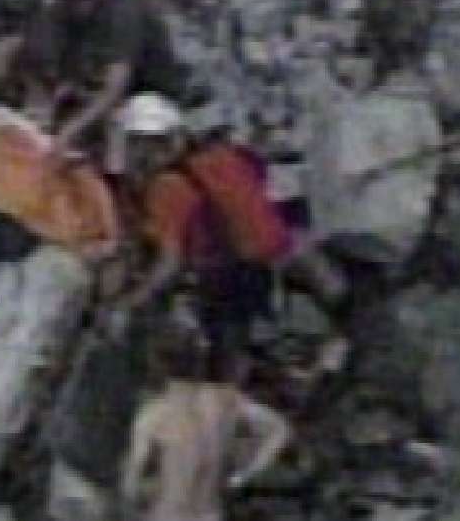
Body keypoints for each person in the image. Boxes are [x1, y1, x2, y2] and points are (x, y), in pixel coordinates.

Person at [116, 92, 329, 381]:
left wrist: (132, 301)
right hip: (278, 253)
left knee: (224, 359)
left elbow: (171, 263)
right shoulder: (228, 154)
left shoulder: (168, 188)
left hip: (230, 274)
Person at [0, 0, 177, 171]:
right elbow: (29, 43)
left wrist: (67, 133)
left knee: (119, 122)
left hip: (137, 94)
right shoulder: (58, 3)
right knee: (7, 48)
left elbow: (113, 89)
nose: (77, 4)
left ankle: (114, 181)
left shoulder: (122, 17)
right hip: (80, 77)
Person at [121, 336, 290, 521]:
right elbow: (279, 430)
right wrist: (242, 475)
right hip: (209, 513)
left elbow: (132, 484)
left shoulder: (155, 415)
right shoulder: (226, 401)